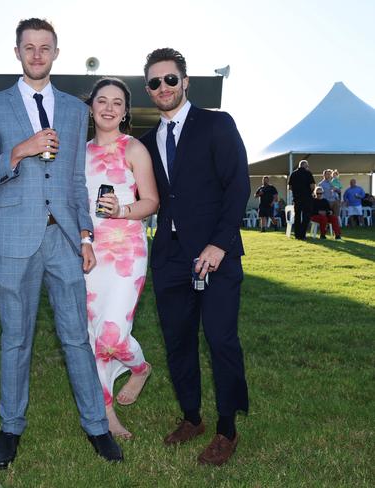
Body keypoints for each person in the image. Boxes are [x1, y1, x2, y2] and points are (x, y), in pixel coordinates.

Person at [0, 18, 122, 469]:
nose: (37, 55)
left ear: (56, 53)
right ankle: (11, 427)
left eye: (45, 47)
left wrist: (85, 235)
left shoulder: (76, 111)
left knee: (76, 338)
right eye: (29, 47)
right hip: (15, 240)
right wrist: (19, 151)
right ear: (17, 52)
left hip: (63, 239)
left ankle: (96, 427)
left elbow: (76, 181)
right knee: (16, 339)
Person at [139, 48, 250, 466]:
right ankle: (191, 417)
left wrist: (220, 243)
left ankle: (226, 429)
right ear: (148, 89)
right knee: (177, 341)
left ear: (186, 83)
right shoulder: (146, 143)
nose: (163, 87)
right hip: (168, 257)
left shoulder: (217, 124)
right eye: (154, 82)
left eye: (170, 79)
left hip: (216, 254)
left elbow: (237, 184)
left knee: (220, 339)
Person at [83, 77, 159, 439]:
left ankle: (140, 367)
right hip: (89, 254)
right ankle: (107, 413)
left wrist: (122, 209)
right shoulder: (79, 153)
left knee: (112, 333)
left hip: (127, 251)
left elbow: (152, 202)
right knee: (95, 334)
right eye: (102, 101)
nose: (109, 108)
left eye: (117, 102)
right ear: (92, 107)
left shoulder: (135, 149)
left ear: (125, 111)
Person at [288, 160, 315, 240]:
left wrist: (296, 192)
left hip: (297, 198)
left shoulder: (293, 174)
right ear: (305, 166)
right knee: (306, 216)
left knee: (297, 216)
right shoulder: (308, 173)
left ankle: (297, 235)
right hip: (306, 198)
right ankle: (302, 234)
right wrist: (310, 192)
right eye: (307, 166)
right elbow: (312, 186)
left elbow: (290, 187)